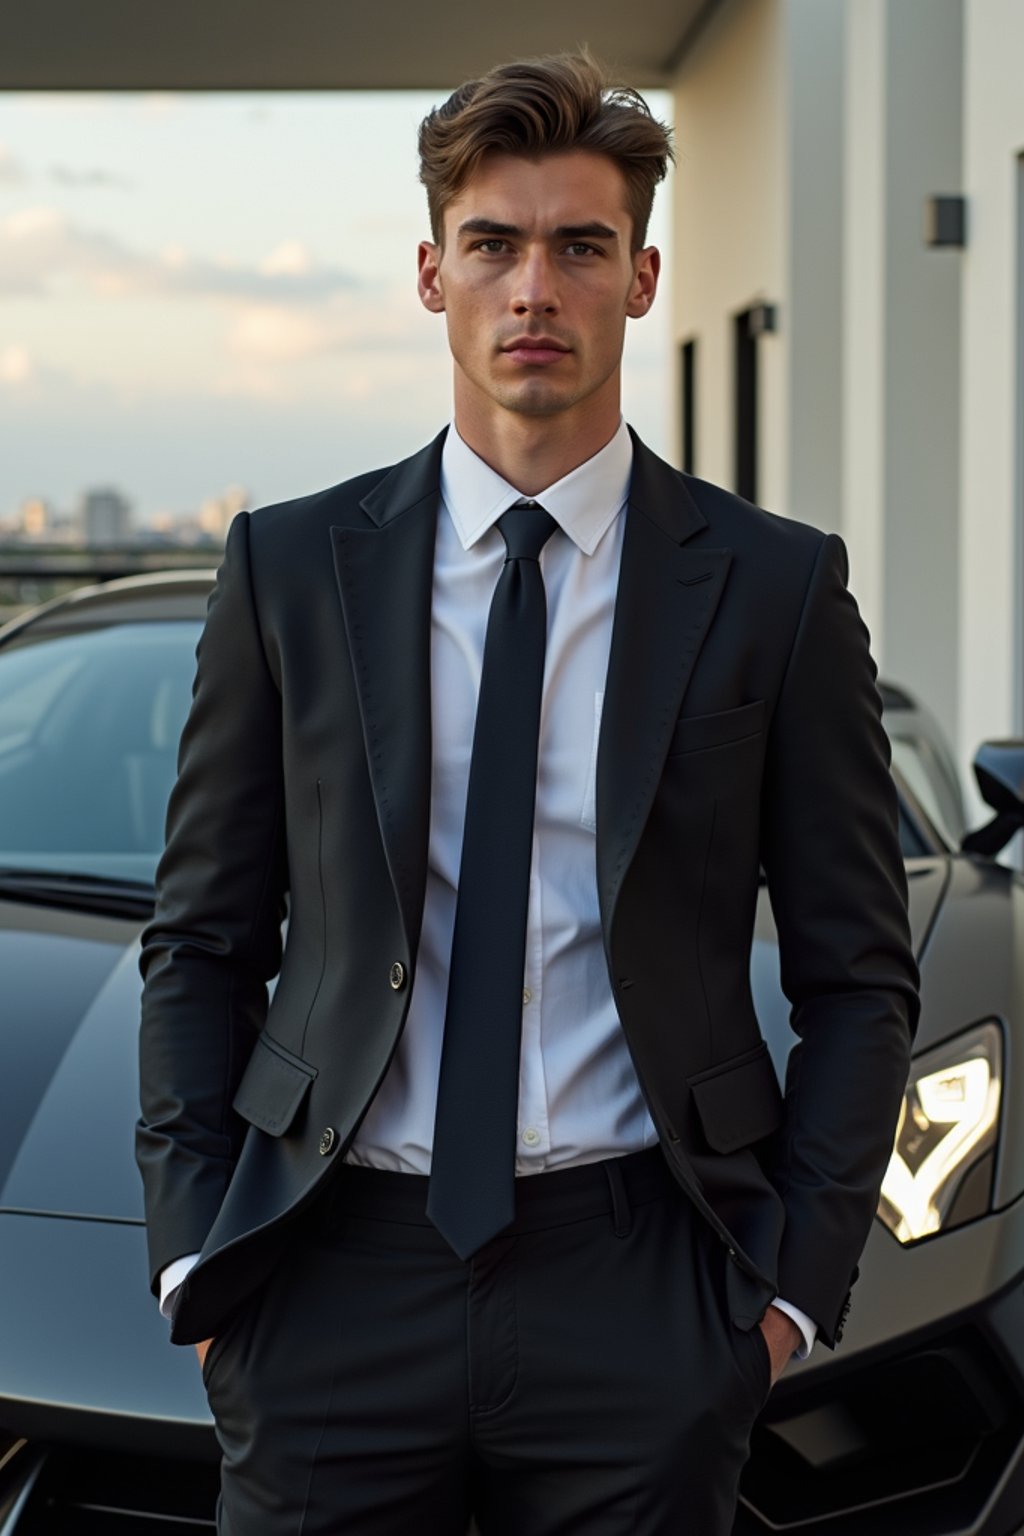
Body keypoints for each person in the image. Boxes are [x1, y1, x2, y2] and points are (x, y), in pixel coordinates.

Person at [136, 50, 920, 1536]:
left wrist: (785, 1302)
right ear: (434, 275)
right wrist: (197, 1264)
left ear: (642, 277)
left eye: (580, 246)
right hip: (334, 1271)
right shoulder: (293, 570)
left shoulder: (770, 587)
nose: (534, 290)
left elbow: (858, 976)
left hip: (644, 1278)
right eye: (494, 245)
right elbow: (200, 939)